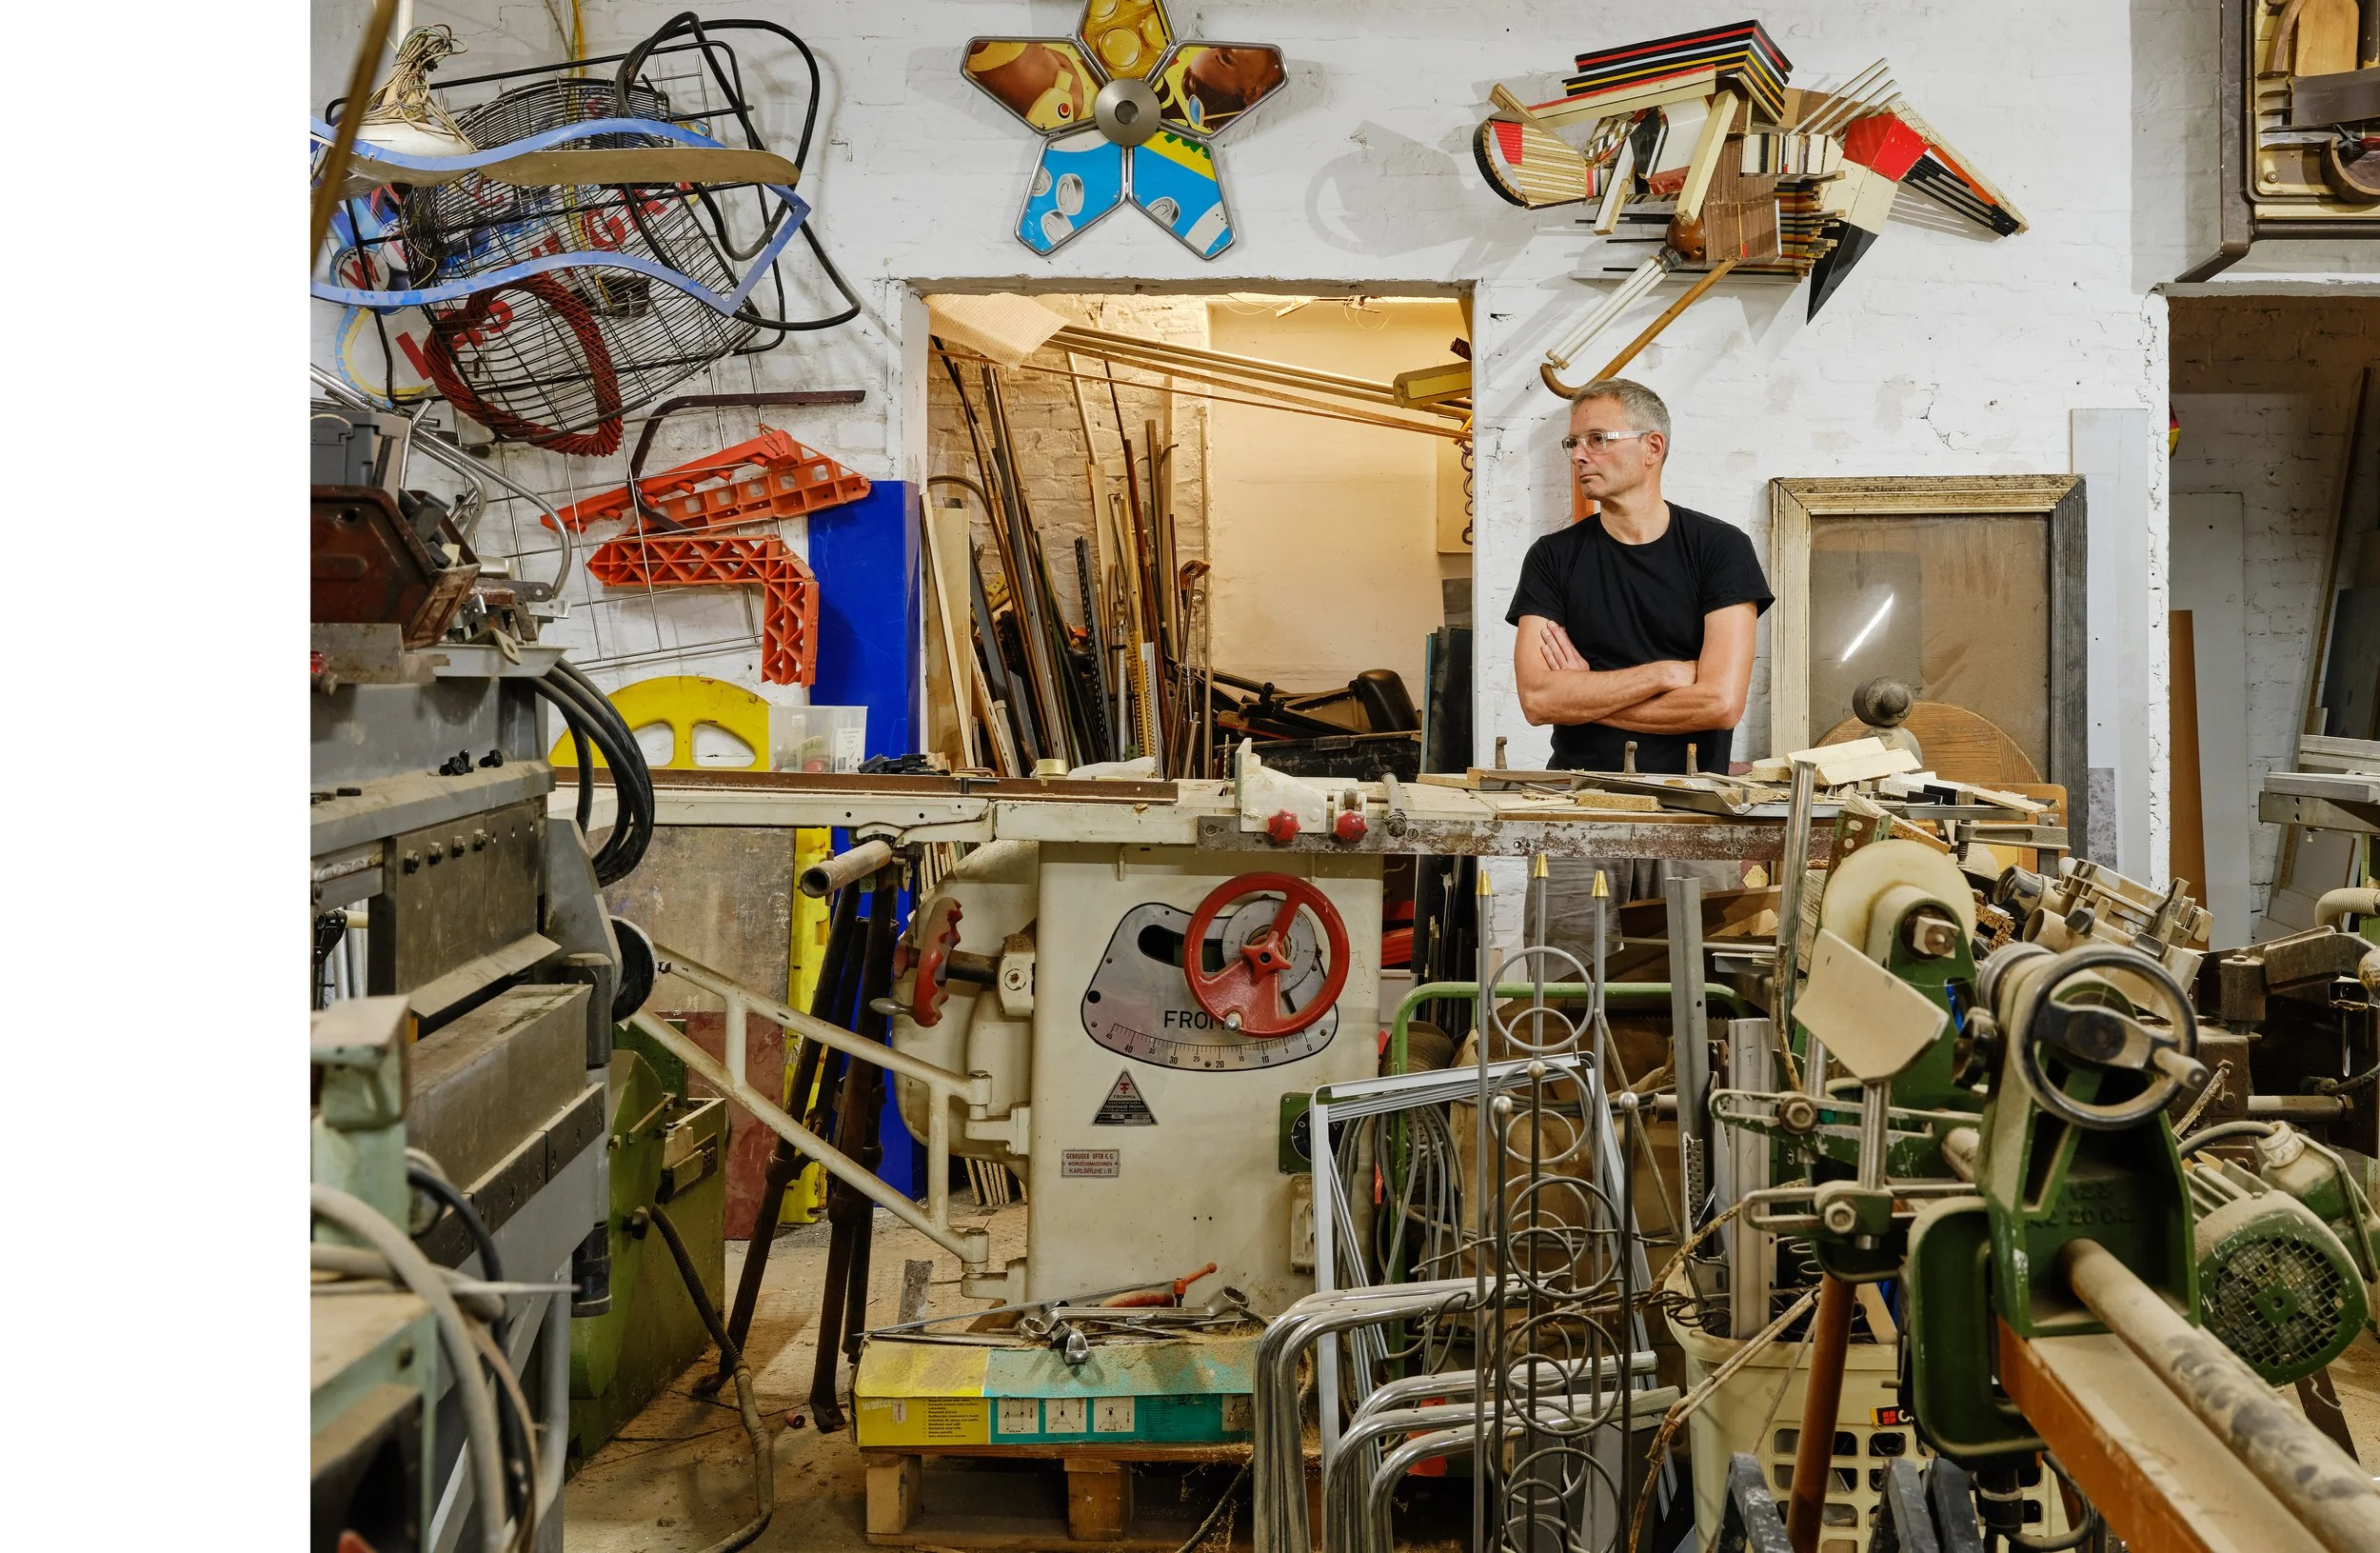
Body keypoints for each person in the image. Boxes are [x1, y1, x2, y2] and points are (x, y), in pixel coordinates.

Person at [1506, 377, 1773, 909]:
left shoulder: (1720, 550)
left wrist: (1585, 694)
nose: (1580, 455)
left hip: (1695, 809)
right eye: (1573, 443)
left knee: (1697, 977)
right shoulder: (1552, 558)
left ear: (1653, 447)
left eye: (1597, 439)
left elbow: (1719, 704)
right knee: (1566, 977)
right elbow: (1538, 700)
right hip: (1579, 807)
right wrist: (1660, 674)